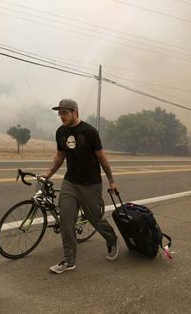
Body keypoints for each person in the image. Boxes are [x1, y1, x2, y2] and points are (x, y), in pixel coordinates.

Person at [43, 98, 119, 274]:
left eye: (64, 112)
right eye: (59, 113)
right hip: (70, 182)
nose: (61, 116)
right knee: (66, 220)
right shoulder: (60, 132)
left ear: (75, 112)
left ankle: (112, 239)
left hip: (90, 183)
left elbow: (102, 158)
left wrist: (112, 180)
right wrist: (48, 174)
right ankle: (69, 261)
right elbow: (59, 157)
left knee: (95, 218)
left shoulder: (89, 132)